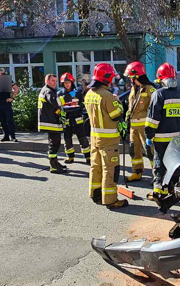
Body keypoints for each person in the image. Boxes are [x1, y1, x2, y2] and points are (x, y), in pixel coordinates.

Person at [84, 63, 128, 209]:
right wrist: (118, 103)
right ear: (107, 78)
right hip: (109, 141)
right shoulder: (108, 96)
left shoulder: (89, 94)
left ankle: (95, 193)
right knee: (110, 168)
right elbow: (116, 115)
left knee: (95, 166)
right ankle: (110, 199)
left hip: (95, 138)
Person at [146, 63, 180, 203]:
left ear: (160, 80)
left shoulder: (158, 94)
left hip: (160, 138)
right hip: (175, 138)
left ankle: (158, 193)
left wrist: (149, 136)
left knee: (159, 164)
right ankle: (170, 189)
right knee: (172, 164)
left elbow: (153, 120)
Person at [124, 62, 156, 182]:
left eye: (130, 77)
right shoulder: (134, 89)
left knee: (149, 150)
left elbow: (155, 107)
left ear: (136, 76)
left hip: (144, 127)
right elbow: (131, 106)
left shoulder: (150, 89)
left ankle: (156, 174)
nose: (129, 79)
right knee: (133, 150)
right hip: (133, 127)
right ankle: (137, 172)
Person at [38, 74, 68, 174]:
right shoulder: (48, 91)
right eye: (53, 81)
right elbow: (55, 102)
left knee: (55, 143)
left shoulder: (49, 90)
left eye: (56, 81)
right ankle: (53, 165)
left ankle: (55, 162)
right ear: (47, 81)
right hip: (50, 122)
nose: (55, 83)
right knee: (54, 143)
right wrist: (66, 98)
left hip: (51, 121)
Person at [58, 72, 90, 164]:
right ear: (62, 84)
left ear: (72, 83)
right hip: (67, 120)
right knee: (67, 140)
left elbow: (83, 103)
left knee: (83, 139)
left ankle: (88, 157)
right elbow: (59, 107)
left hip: (77, 119)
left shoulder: (78, 92)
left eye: (68, 82)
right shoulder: (60, 94)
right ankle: (70, 157)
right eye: (65, 83)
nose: (67, 84)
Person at [0, 66, 19, 142]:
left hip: (6, 103)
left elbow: (16, 88)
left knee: (9, 120)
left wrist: (12, 98)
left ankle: (12, 136)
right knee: (2, 120)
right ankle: (6, 136)